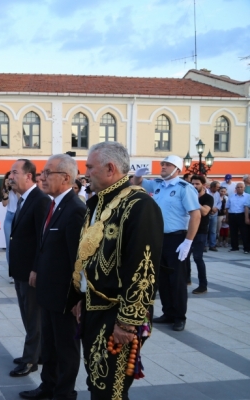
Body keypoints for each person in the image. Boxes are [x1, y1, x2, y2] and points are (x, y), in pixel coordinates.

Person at [71, 142, 163, 400]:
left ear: (110, 168)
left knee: (110, 389)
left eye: (90, 167)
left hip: (118, 317)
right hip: (93, 307)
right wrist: (80, 297)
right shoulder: (96, 203)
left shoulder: (139, 205)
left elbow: (143, 269)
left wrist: (128, 322)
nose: (85, 172)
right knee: (97, 382)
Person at [19, 154, 85, 400]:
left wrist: (77, 298)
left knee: (66, 349)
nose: (42, 177)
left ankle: (64, 393)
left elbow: (78, 260)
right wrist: (37, 268)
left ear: (66, 178)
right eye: (42, 173)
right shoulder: (53, 204)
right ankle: (48, 386)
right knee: (49, 345)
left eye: (48, 173)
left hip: (64, 296)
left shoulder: (76, 210)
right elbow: (45, 243)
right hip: (47, 291)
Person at [132, 155, 200, 332]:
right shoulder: (157, 184)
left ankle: (179, 316)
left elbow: (196, 215)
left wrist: (188, 241)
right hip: (158, 237)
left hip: (177, 238)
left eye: (167, 165)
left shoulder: (185, 188)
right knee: (161, 278)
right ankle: (168, 312)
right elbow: (136, 183)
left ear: (177, 170)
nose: (163, 167)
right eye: (162, 164)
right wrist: (138, 175)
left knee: (177, 279)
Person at [7, 159, 50, 379]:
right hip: (20, 270)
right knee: (27, 315)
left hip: (31, 273)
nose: (11, 176)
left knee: (33, 317)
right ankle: (38, 353)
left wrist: (36, 269)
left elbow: (42, 240)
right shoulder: (23, 199)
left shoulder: (40, 200)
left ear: (29, 176)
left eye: (15, 172)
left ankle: (30, 360)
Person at [190, 175, 213, 294]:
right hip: (187, 230)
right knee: (182, 258)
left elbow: (204, 212)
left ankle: (203, 285)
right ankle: (186, 280)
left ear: (203, 185)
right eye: (192, 183)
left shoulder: (208, 198)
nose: (194, 186)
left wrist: (193, 200)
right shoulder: (188, 195)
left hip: (201, 231)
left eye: (197, 184)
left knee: (198, 258)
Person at [225, 182, 250, 253]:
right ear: (235, 188)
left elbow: (247, 207)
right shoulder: (231, 196)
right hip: (232, 215)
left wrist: (247, 217)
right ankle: (235, 247)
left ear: (244, 188)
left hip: (242, 215)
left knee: (244, 232)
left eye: (241, 187)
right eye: (238, 187)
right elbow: (227, 207)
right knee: (233, 232)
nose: (239, 188)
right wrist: (227, 217)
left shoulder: (248, 196)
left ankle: (246, 248)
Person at [1, 171, 19, 265]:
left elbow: (21, 201)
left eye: (12, 179)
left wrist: (15, 188)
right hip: (9, 216)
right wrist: (7, 190)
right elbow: (4, 204)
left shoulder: (20, 189)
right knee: (9, 245)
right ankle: (11, 270)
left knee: (18, 244)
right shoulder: (6, 190)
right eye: (9, 179)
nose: (10, 181)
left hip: (19, 216)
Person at [208, 181, 221, 251]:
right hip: (207, 213)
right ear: (212, 186)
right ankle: (204, 245)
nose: (218, 188)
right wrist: (211, 208)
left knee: (213, 231)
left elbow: (219, 202)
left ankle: (212, 245)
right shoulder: (207, 192)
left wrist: (217, 208)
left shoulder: (218, 194)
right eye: (217, 187)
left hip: (214, 214)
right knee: (206, 230)